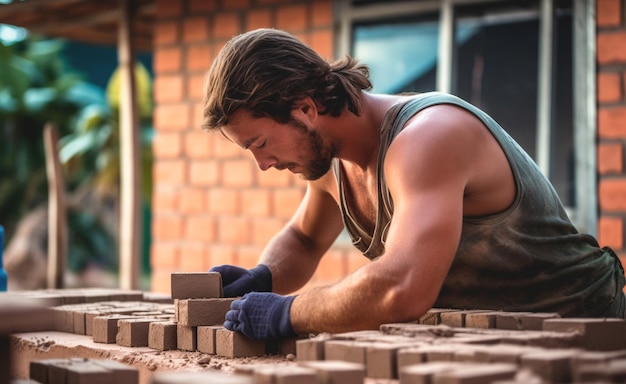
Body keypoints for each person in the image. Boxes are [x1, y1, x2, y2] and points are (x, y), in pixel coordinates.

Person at [201, 28, 626, 340]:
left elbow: (402, 287)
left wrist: (288, 312)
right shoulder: (331, 163)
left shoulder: (427, 139)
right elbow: (304, 240)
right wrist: (263, 277)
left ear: (305, 109)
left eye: (259, 143)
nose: (262, 164)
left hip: (591, 333)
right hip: (501, 343)